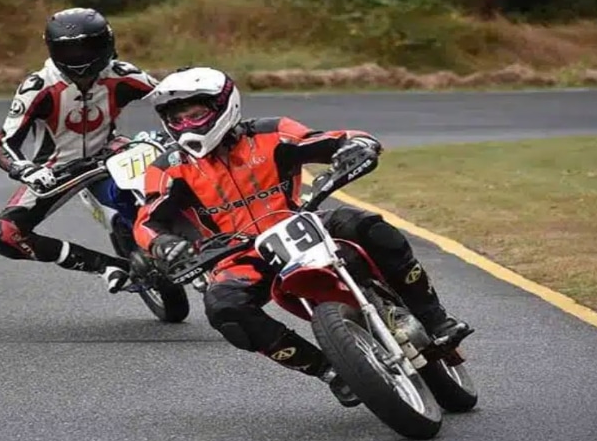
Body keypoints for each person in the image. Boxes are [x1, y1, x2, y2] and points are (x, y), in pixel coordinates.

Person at [133, 67, 474, 407]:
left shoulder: (272, 132)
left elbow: (331, 138)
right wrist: (162, 243)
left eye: (196, 114)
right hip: (239, 255)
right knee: (224, 308)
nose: (188, 125)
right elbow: (147, 220)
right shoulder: (167, 167)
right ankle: (330, 372)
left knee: (369, 226)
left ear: (225, 105)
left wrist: (355, 145)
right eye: (178, 119)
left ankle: (435, 319)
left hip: (303, 221)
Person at [0, 8, 158, 294]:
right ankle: (105, 266)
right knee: (3, 234)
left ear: (107, 43)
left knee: (175, 173)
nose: (80, 58)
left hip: (111, 156)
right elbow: (2, 143)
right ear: (52, 50)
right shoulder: (38, 86)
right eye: (69, 51)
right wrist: (26, 170)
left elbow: (169, 97)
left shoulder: (123, 74)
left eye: (88, 47)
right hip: (55, 171)